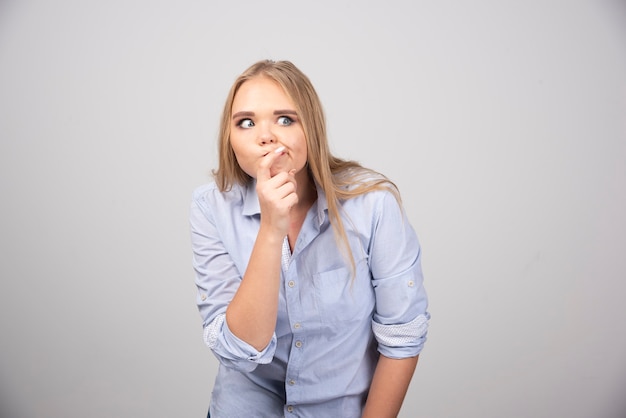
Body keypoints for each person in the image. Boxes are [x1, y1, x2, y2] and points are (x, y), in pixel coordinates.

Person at [190, 59, 430, 418]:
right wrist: (271, 228)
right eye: (246, 122)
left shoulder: (373, 205)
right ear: (230, 137)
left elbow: (402, 338)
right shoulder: (210, 206)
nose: (265, 136)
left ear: (311, 129)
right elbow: (239, 351)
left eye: (285, 119)